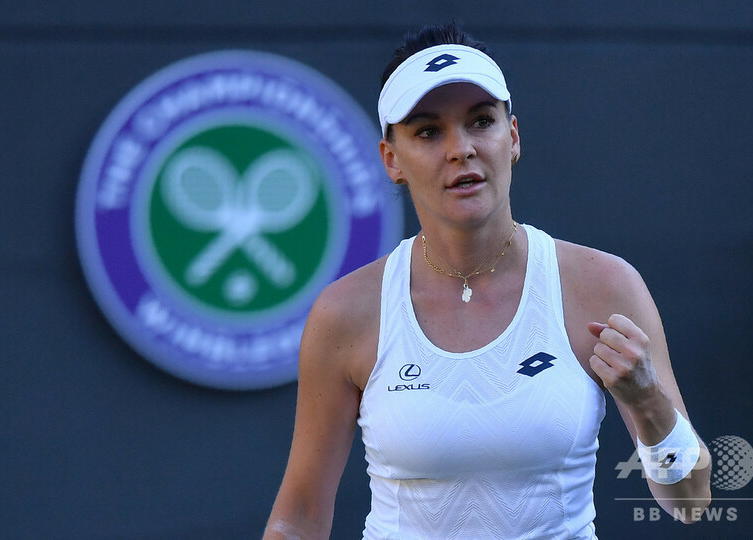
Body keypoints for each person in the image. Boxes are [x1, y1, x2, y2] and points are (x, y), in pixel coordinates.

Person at [264, 22, 711, 539]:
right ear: (392, 160)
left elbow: (691, 500)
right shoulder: (346, 312)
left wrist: (649, 402)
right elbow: (297, 519)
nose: (461, 149)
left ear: (512, 137)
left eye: (481, 121)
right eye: (428, 131)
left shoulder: (603, 286)